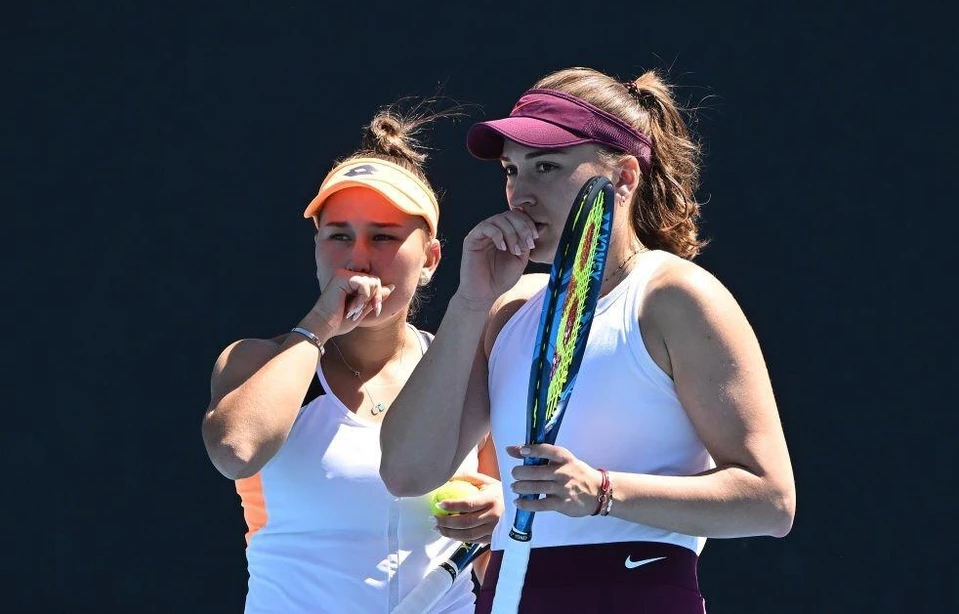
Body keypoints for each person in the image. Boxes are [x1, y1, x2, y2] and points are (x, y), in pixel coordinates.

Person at [380, 67, 796, 613]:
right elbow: (407, 472)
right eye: (511, 170)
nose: (520, 193)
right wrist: (470, 303)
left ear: (624, 177)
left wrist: (602, 492)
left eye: (546, 166)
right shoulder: (505, 311)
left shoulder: (675, 296)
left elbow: (770, 501)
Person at [202, 105, 503, 614]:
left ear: (430, 259)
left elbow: (495, 562)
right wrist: (320, 324)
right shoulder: (254, 360)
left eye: (383, 236)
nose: (357, 257)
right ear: (317, 247)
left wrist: (499, 513)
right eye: (339, 234)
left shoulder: (471, 371)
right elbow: (235, 450)